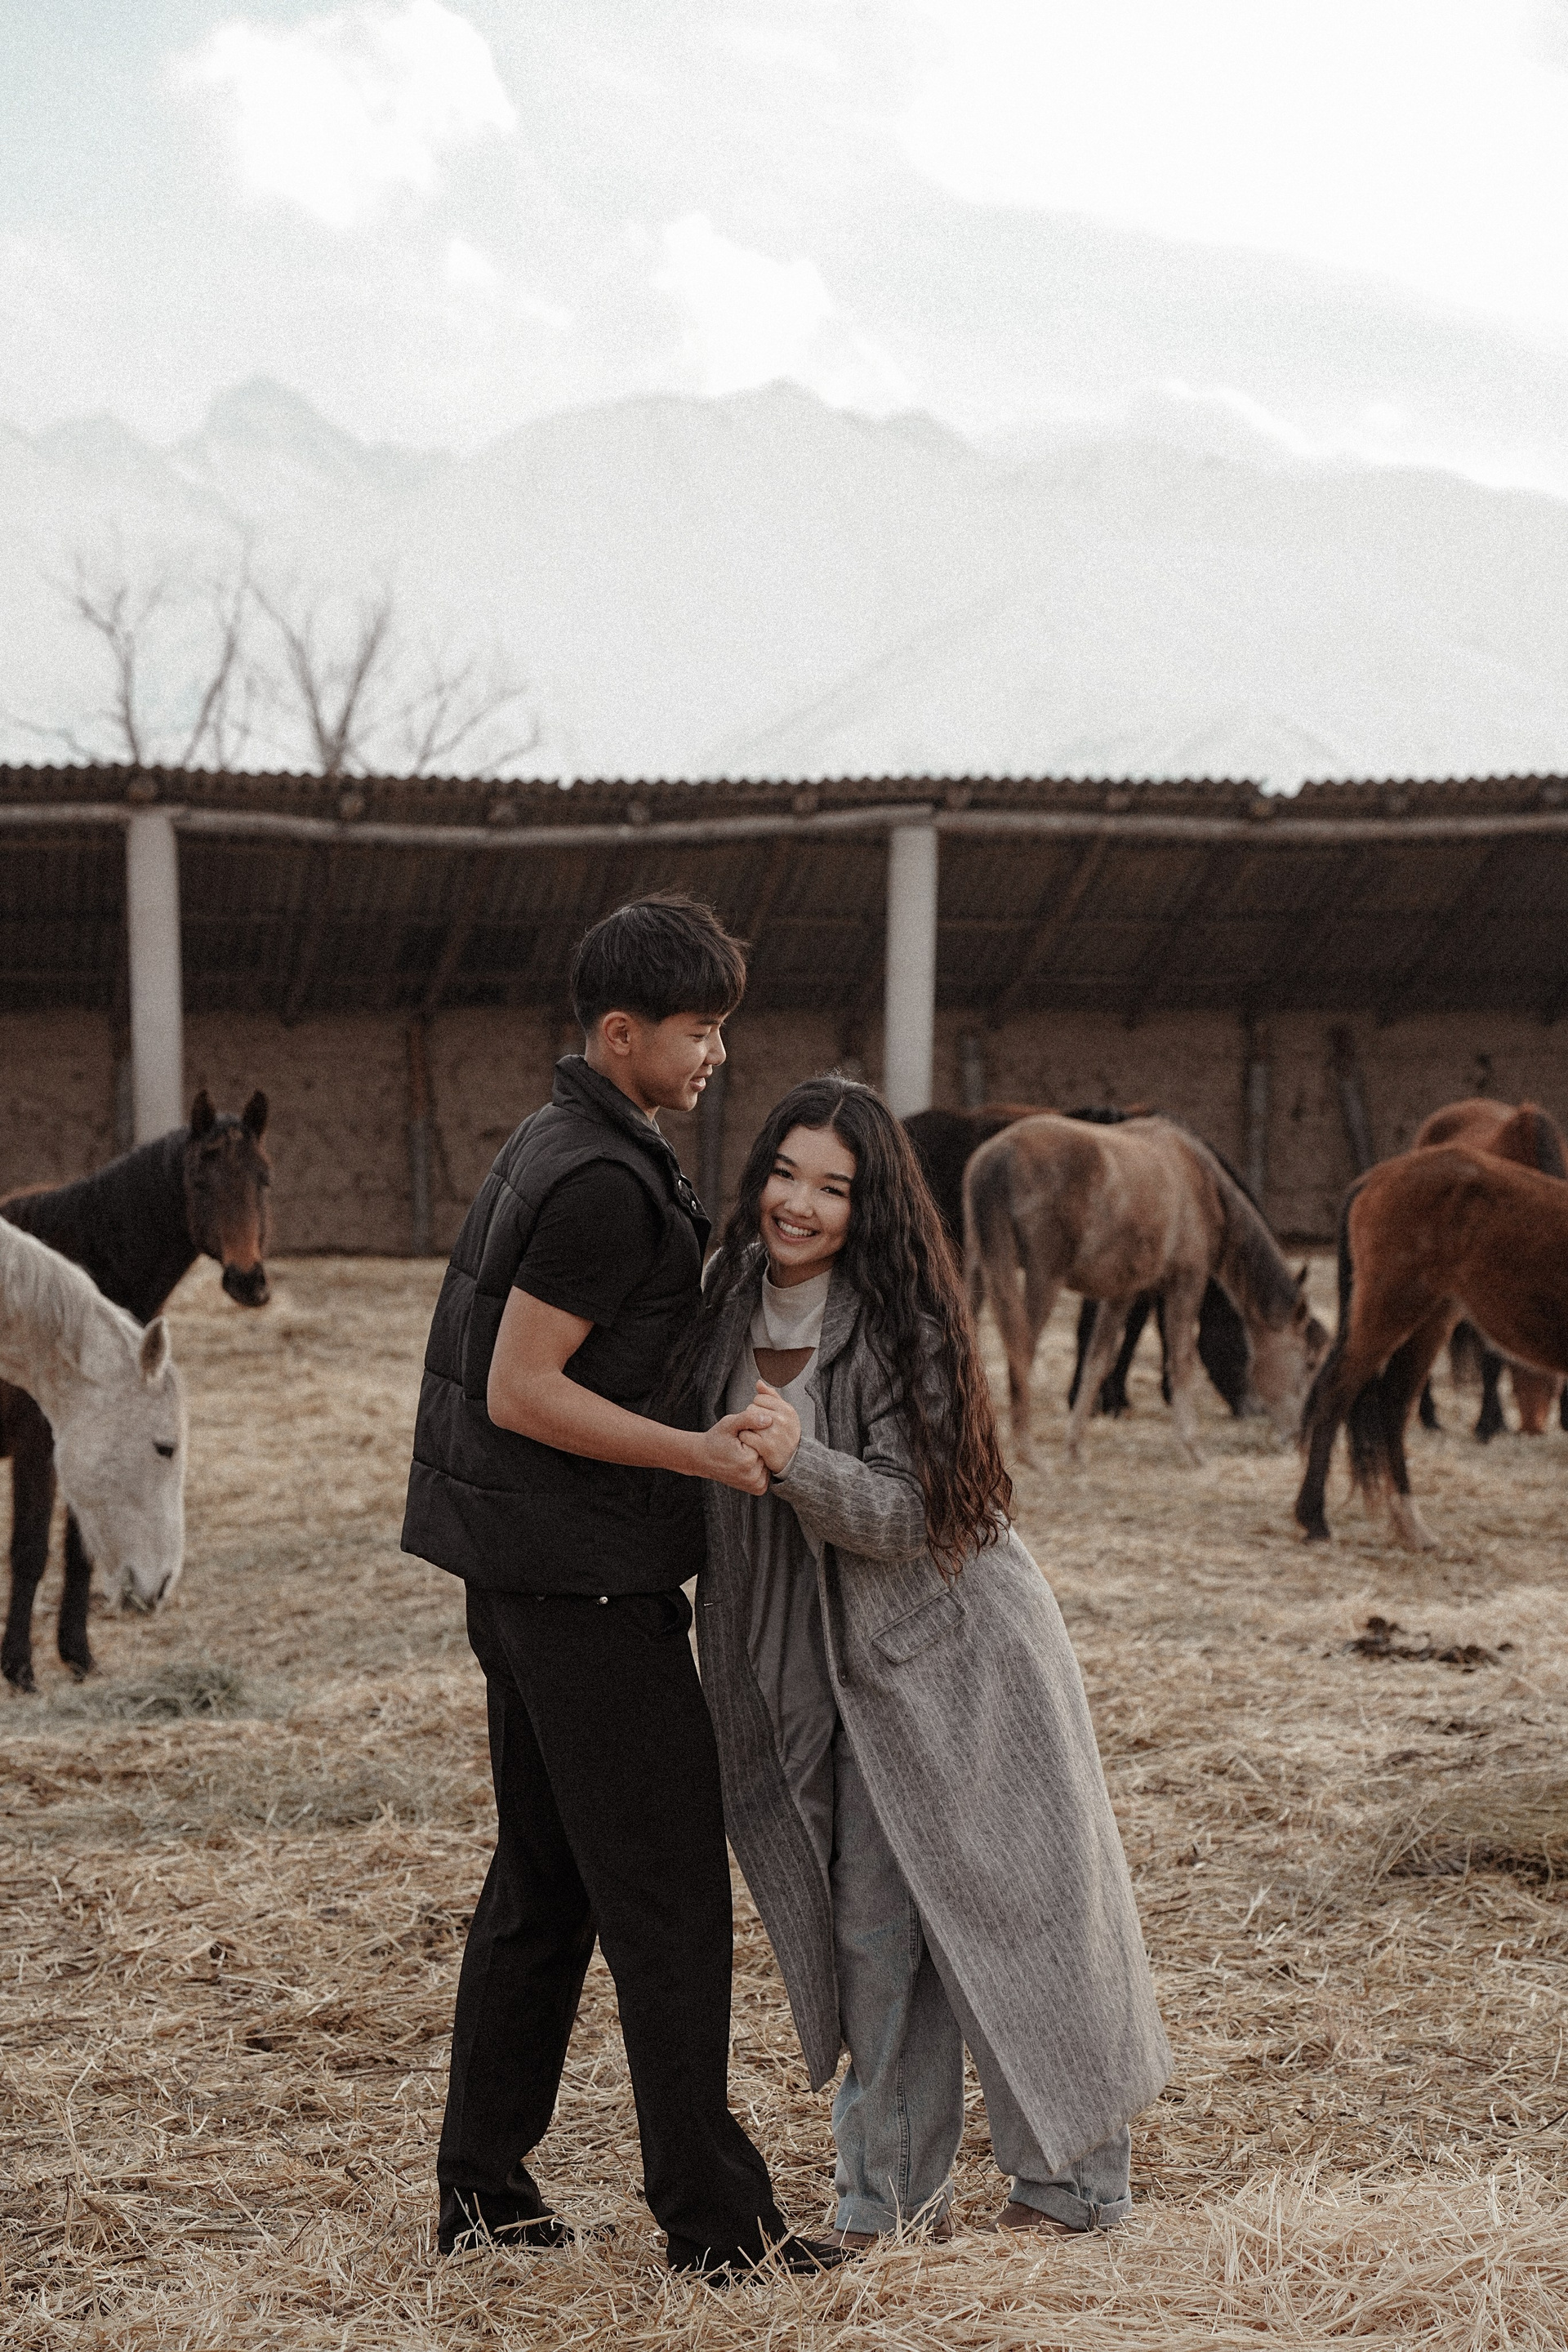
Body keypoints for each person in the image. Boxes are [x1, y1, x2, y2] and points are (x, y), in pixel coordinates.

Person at [400, 896, 846, 2280]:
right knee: (668, 1901)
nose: (718, 1054)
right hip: (583, 1586)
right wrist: (698, 1455)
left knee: (544, 1884)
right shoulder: (599, 1179)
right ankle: (718, 2229)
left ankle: (483, 2191)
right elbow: (521, 1388)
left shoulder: (567, 1140)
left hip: (524, 1573)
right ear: (619, 1033)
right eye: (699, 1030)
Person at [675, 1076, 1171, 2244]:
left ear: (873, 1206)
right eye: (785, 1173)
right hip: (825, 1667)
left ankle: (1074, 2187)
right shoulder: (726, 1296)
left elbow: (911, 1513)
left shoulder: (906, 1319)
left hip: (957, 1653)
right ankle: (890, 2200)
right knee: (874, 1937)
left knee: (1020, 1911)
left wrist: (799, 1460)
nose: (800, 1204)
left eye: (833, 1187)